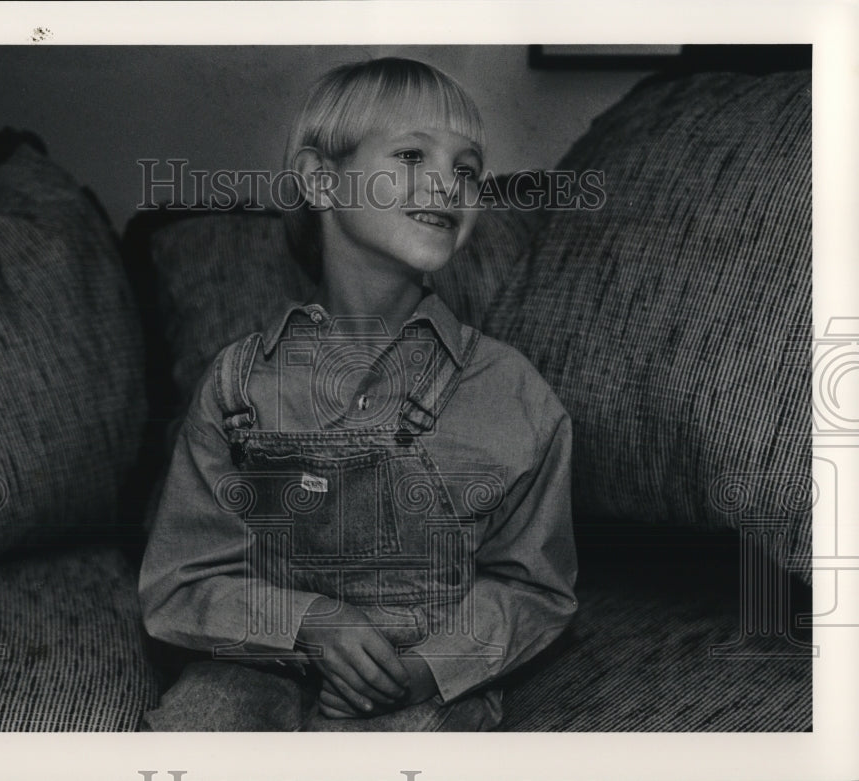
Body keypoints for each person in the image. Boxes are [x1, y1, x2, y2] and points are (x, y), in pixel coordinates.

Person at [138, 56, 578, 731]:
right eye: (410, 154)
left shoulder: (512, 393)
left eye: (467, 168)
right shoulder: (241, 387)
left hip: (419, 688)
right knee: (203, 719)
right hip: (255, 669)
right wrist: (310, 621)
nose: (448, 184)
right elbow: (181, 584)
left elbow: (533, 588)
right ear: (321, 180)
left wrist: (427, 668)